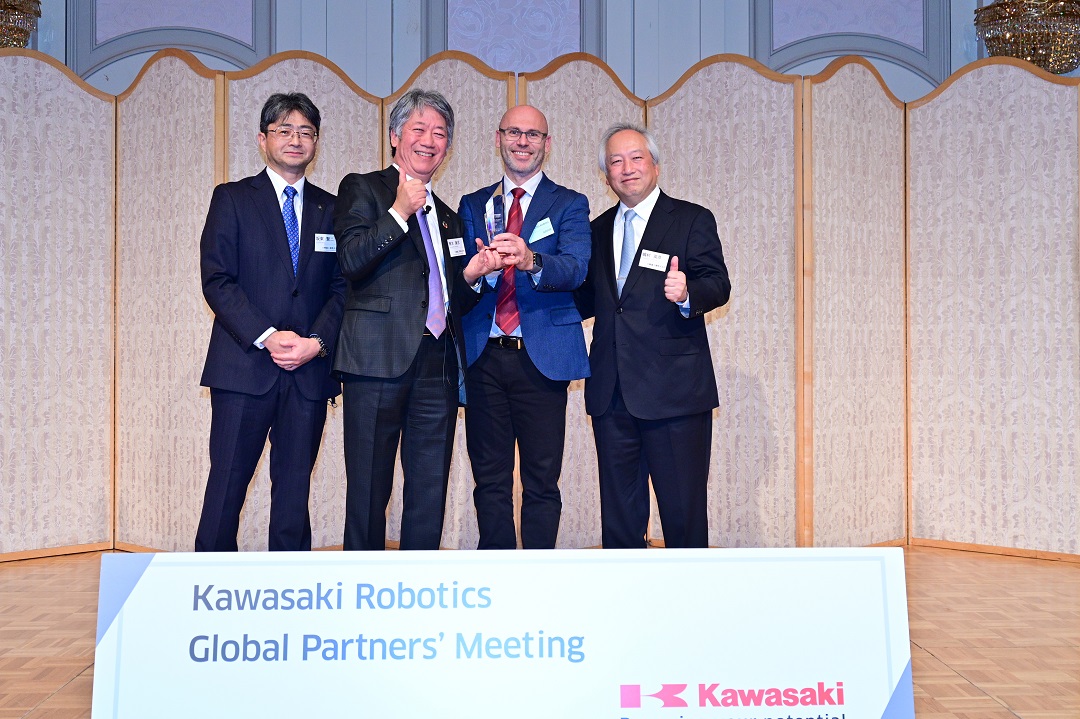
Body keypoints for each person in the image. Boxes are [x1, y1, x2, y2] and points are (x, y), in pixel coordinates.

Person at [333, 89, 502, 551]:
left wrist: (472, 275)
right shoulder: (363, 188)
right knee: (368, 490)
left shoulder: (447, 216)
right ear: (395, 136)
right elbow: (350, 260)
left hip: (437, 365)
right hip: (376, 362)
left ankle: (419, 584)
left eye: (440, 134)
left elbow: (447, 297)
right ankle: (362, 584)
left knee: (429, 491)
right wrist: (398, 213)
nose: (429, 141)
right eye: (419, 129)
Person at [196, 92, 345, 551]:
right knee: (226, 486)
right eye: (284, 130)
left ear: (316, 142)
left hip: (308, 372)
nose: (295, 139)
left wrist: (316, 342)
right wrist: (268, 336)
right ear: (263, 139)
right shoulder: (233, 198)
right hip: (244, 368)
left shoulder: (333, 208)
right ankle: (209, 582)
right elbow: (217, 279)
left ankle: (290, 585)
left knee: (294, 493)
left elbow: (343, 288)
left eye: (305, 132)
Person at [577, 123, 731, 549]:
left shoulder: (691, 219)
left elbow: (718, 283)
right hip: (611, 394)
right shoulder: (595, 229)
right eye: (615, 161)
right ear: (606, 175)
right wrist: (532, 274)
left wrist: (688, 293)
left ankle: (687, 590)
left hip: (675, 393)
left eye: (636, 158)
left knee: (683, 516)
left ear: (656, 166)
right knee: (619, 519)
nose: (626, 168)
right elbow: (587, 300)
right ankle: (626, 589)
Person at [457, 105, 591, 549]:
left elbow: (576, 269)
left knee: (542, 481)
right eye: (513, 132)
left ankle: (539, 577)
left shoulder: (570, 203)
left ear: (546, 144)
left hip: (543, 359)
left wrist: (531, 260)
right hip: (484, 357)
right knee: (490, 480)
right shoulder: (473, 204)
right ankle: (496, 575)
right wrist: (478, 272)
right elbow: (459, 282)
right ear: (498, 139)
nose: (522, 141)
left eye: (532, 134)